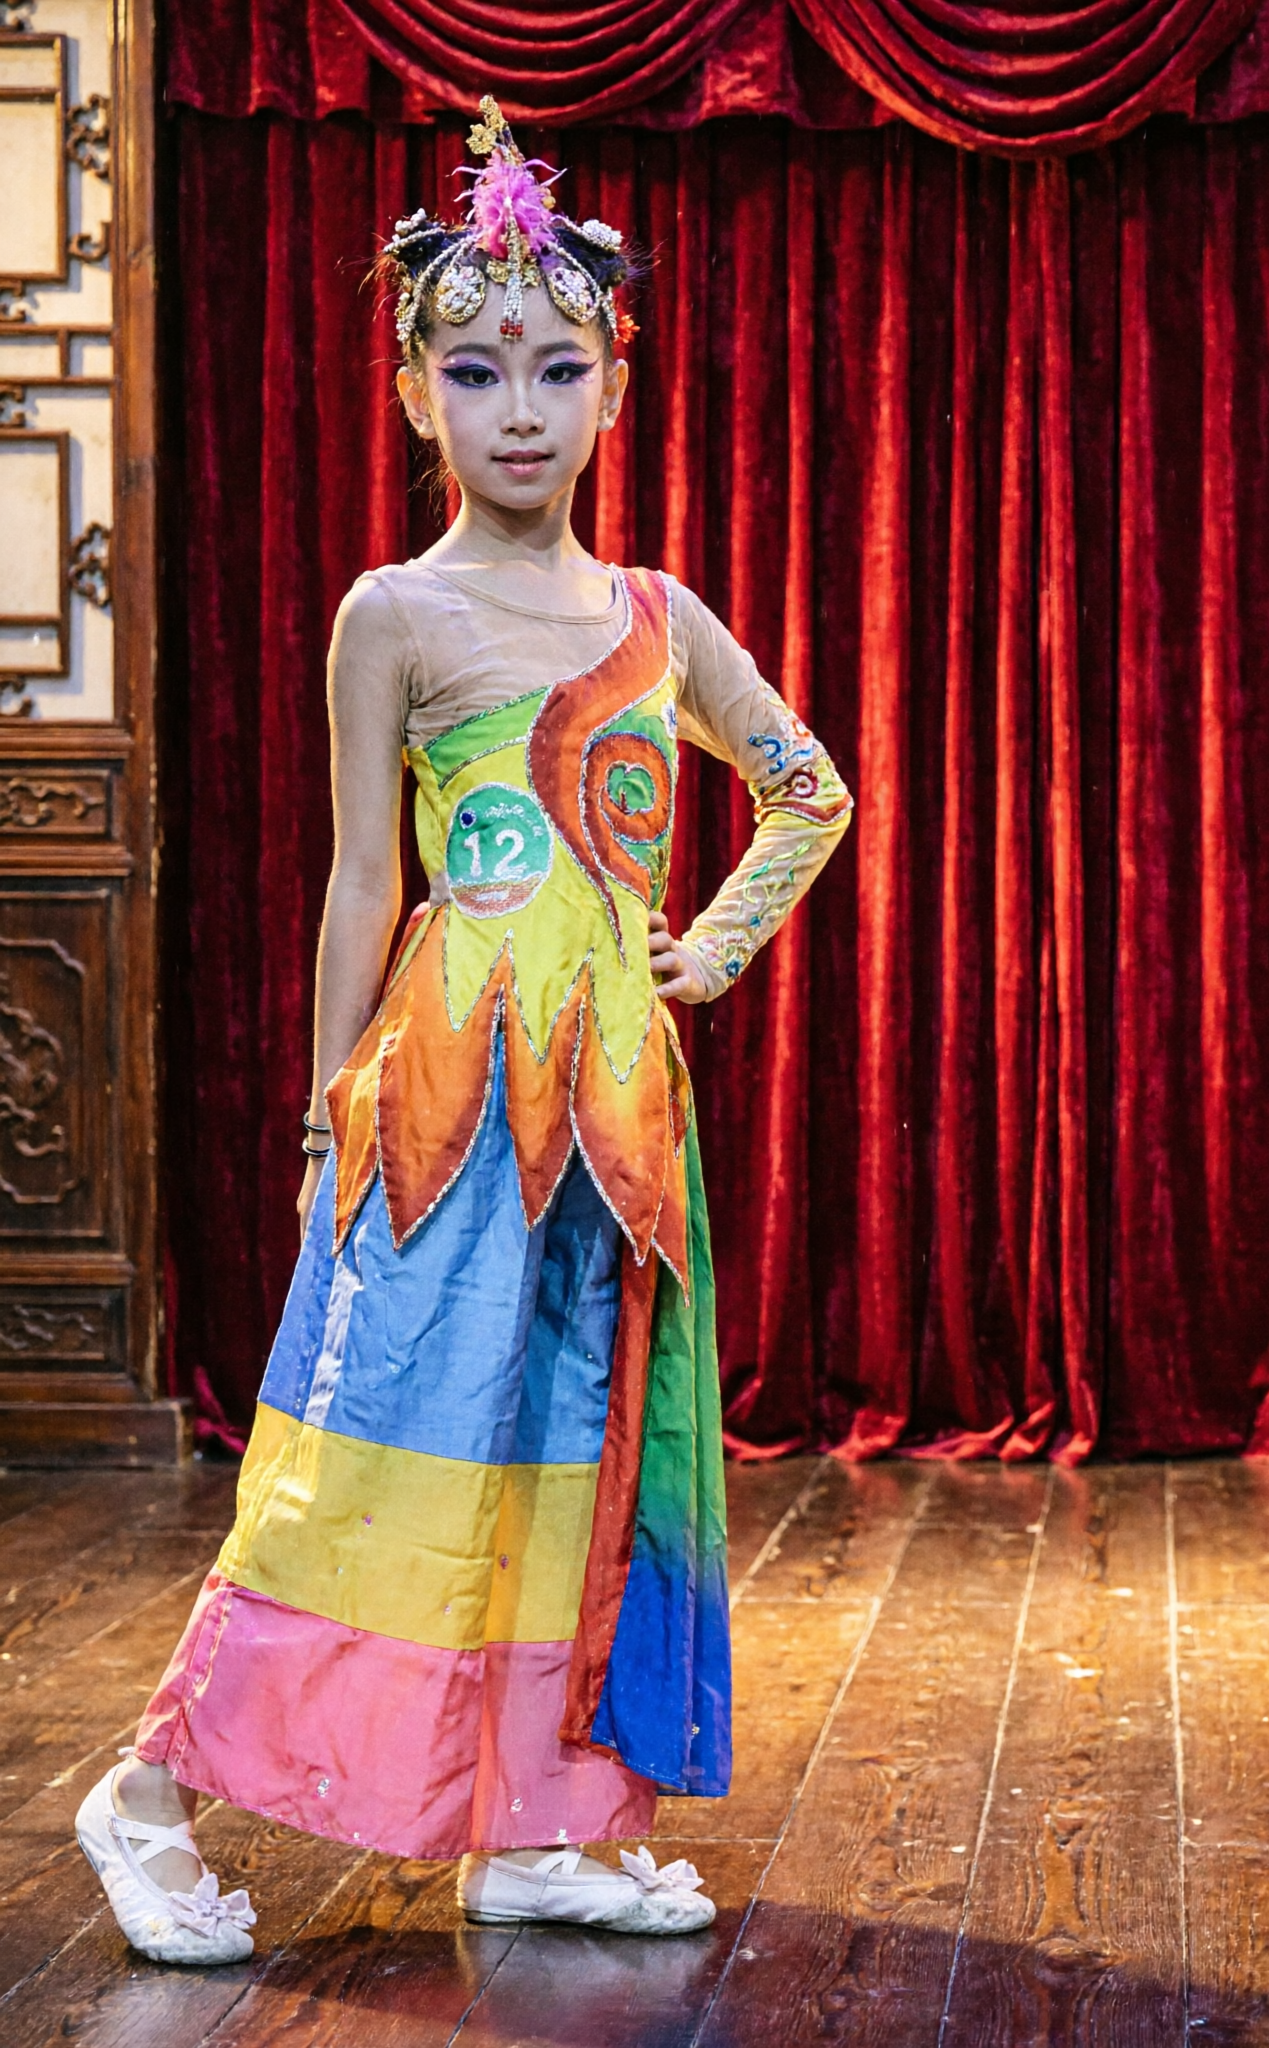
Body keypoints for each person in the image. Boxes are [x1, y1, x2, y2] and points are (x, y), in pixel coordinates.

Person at [74, 100, 852, 1967]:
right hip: (443, 1095)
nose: (520, 408)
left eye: (558, 370)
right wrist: (323, 1116)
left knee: (572, 1455)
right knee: (372, 1450)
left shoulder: (659, 616)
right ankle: (149, 1791)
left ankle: (538, 1823)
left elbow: (808, 788)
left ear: (614, 389)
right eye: (477, 370)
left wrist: (710, 949)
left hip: (619, 1112)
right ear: (416, 394)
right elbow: (363, 880)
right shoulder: (395, 615)